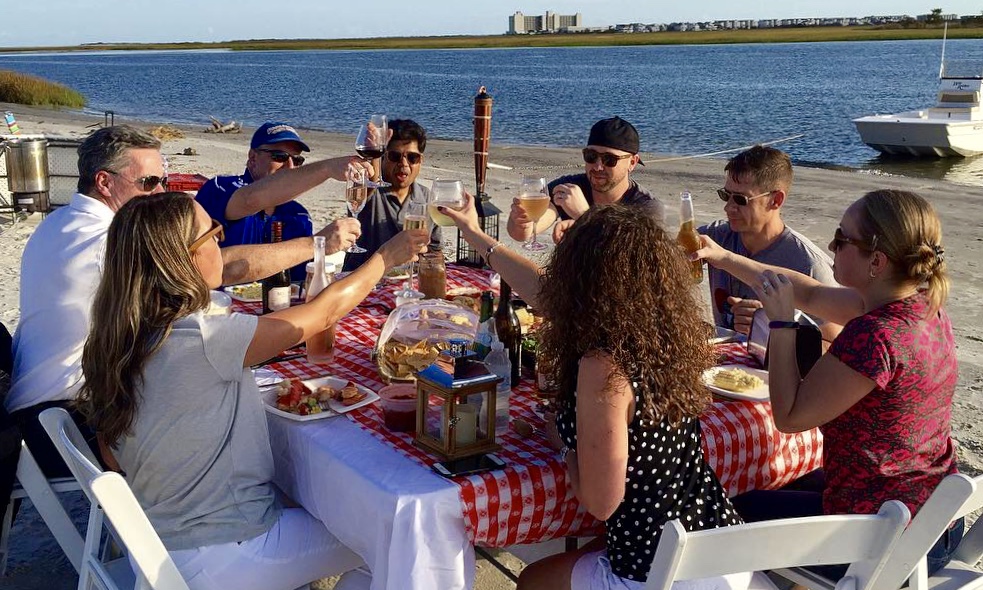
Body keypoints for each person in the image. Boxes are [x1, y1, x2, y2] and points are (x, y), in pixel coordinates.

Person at [78, 192, 429, 590]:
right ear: (185, 260)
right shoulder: (203, 337)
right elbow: (321, 315)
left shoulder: (114, 338)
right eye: (212, 234)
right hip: (228, 552)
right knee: (402, 542)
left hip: (161, 544)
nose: (220, 240)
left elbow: (112, 454)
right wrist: (383, 258)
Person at [7, 125, 350, 479]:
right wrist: (318, 244)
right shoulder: (107, 241)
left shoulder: (61, 221)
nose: (159, 193)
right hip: (72, 420)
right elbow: (219, 269)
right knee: (233, 407)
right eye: (148, 183)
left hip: (43, 409)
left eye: (163, 182)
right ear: (104, 182)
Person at [440, 198, 748, 590]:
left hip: (664, 572)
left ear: (578, 278)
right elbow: (539, 288)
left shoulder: (603, 365)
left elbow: (602, 503)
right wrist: (472, 233)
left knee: (533, 579)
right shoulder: (665, 333)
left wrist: (564, 445)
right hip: (724, 546)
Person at [696, 189, 961, 577]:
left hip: (888, 544)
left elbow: (789, 416)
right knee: (776, 480)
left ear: (877, 260)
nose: (831, 246)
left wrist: (783, 324)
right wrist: (722, 256)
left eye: (842, 240)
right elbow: (808, 291)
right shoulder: (921, 306)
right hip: (932, 521)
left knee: (725, 508)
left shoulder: (874, 335)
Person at [196, 121, 367, 280]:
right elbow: (250, 200)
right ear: (253, 158)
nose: (290, 166)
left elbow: (298, 281)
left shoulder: (297, 215)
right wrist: (327, 169)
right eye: (279, 156)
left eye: (298, 160)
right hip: (217, 303)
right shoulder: (221, 188)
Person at [699, 145, 837, 338]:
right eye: (725, 195)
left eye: (740, 199)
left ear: (776, 200)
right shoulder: (717, 237)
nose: (729, 207)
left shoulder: (808, 264)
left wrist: (769, 325)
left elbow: (835, 339)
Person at [505, 116, 663, 245]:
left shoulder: (646, 206)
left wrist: (584, 216)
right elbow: (522, 233)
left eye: (609, 159)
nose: (598, 166)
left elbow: (631, 259)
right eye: (591, 156)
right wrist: (521, 222)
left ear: (632, 162)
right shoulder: (571, 188)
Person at [342, 118, 439, 271]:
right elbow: (369, 181)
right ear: (383, 157)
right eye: (395, 156)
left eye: (412, 158)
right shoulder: (369, 191)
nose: (404, 164)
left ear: (421, 161)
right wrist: (373, 152)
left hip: (405, 286)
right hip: (363, 284)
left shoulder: (427, 197)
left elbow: (434, 248)